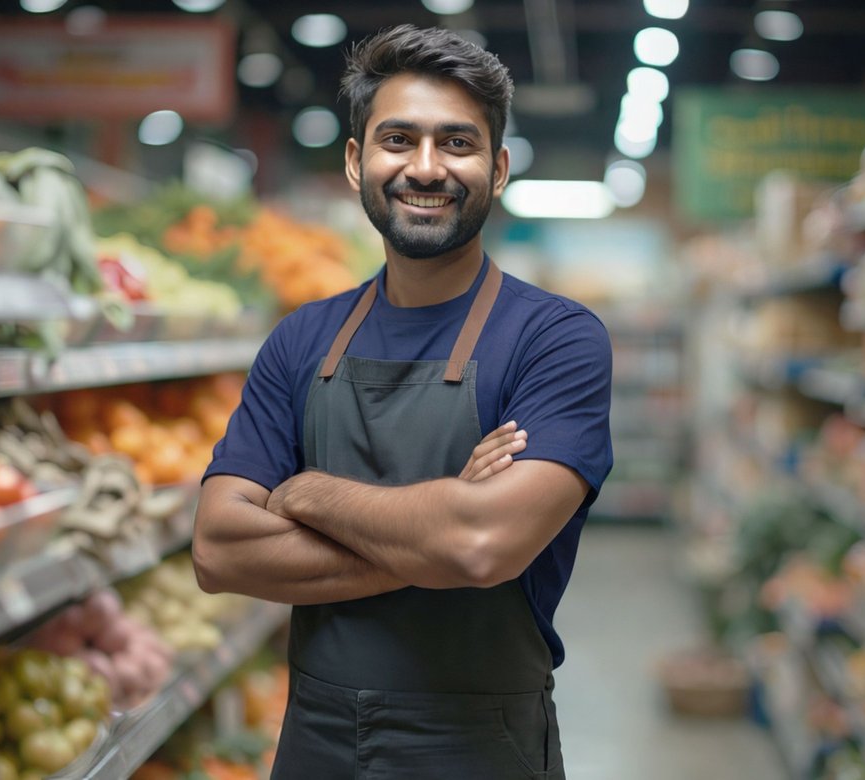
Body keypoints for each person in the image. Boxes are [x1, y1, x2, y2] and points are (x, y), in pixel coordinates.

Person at [192, 24, 614, 780]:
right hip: (313, 743)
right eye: (399, 139)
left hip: (482, 747)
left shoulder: (556, 339)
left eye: (457, 143)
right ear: (357, 162)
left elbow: (481, 545)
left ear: (499, 167)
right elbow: (220, 549)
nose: (426, 167)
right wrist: (440, 529)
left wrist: (308, 491)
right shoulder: (301, 339)